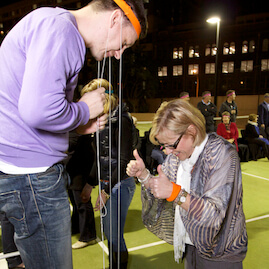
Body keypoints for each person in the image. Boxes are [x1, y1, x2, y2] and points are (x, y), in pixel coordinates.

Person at [0, 1, 147, 268]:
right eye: (124, 42)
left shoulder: (50, 22)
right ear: (115, 18)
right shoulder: (63, 31)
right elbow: (37, 110)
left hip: (20, 174)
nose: (118, 54)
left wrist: (76, 125)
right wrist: (82, 109)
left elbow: (31, 109)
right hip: (32, 179)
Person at [127, 99, 248, 269]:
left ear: (191, 130)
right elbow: (164, 186)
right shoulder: (177, 156)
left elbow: (213, 216)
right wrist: (144, 176)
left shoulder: (222, 155)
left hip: (221, 253)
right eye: (164, 146)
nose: (168, 152)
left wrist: (175, 193)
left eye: (171, 145)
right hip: (190, 243)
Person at [83, 79, 136, 269]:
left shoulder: (121, 121)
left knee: (113, 234)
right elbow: (101, 157)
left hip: (120, 184)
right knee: (108, 231)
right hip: (108, 183)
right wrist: (90, 183)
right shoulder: (102, 121)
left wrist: (104, 191)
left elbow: (122, 162)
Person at [66, 132, 97, 249]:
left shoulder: (78, 130)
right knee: (75, 201)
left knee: (82, 203)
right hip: (73, 169)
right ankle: (76, 227)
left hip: (80, 169)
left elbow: (70, 145)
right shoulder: (72, 128)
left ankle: (88, 236)